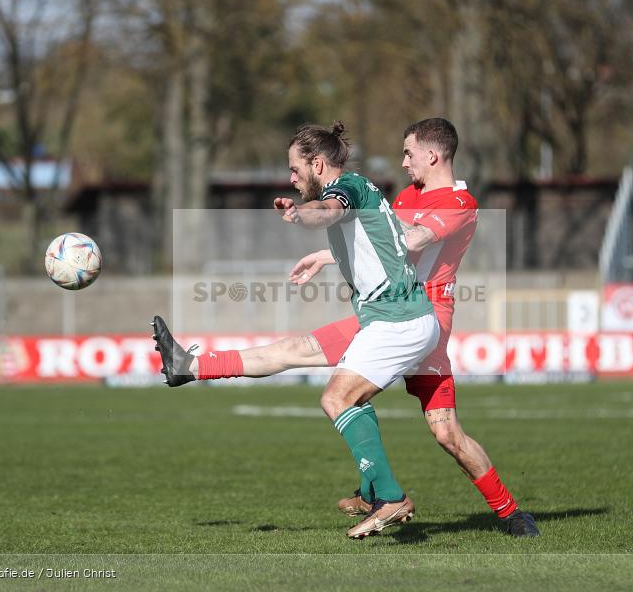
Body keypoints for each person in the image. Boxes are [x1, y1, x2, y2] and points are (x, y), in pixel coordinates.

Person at [153, 118, 538, 538]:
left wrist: (310, 215)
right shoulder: (406, 195)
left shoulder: (459, 201)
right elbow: (381, 241)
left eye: (408, 153)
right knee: (302, 354)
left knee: (443, 431)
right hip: (386, 312)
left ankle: (503, 511)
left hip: (420, 316)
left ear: (432, 155)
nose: (403, 162)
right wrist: (329, 252)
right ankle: (191, 367)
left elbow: (407, 240)